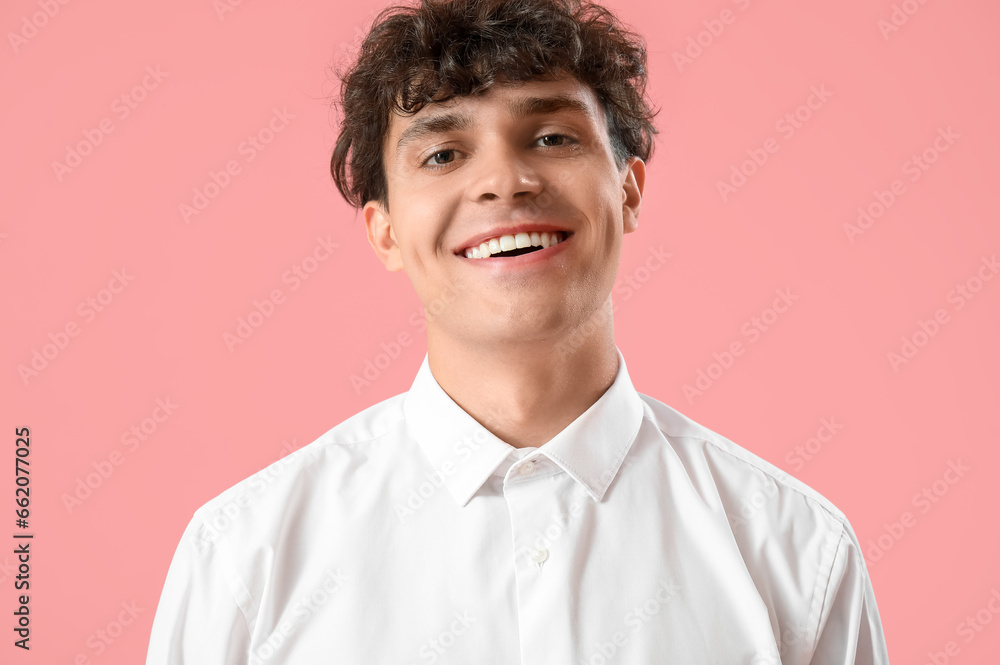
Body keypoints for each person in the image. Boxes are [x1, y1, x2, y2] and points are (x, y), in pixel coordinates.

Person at [146, 0, 890, 662]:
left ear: (628, 189)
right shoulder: (245, 559)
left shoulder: (796, 551)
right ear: (385, 231)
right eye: (443, 153)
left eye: (553, 138)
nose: (504, 180)